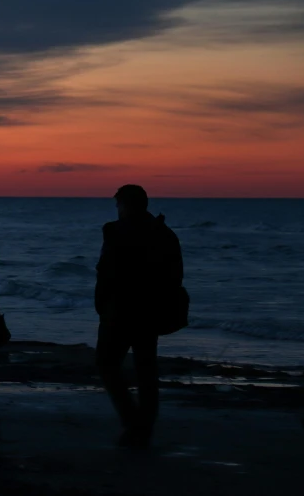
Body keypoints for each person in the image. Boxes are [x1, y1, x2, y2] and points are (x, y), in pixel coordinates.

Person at [94, 184, 184, 449]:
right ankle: (142, 426)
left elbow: (105, 272)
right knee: (146, 369)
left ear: (125, 205)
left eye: (119, 205)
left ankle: (134, 422)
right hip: (148, 311)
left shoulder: (116, 232)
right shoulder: (164, 234)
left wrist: (101, 304)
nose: (118, 210)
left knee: (107, 364)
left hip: (120, 311)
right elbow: (175, 276)